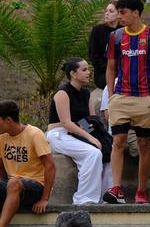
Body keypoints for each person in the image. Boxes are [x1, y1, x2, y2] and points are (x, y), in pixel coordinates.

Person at [103, 0, 150, 204]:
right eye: (118, 12)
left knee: (143, 145)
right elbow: (110, 68)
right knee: (118, 142)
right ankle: (116, 188)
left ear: (136, 12)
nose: (120, 16)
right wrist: (112, 96)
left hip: (144, 99)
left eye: (123, 12)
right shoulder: (116, 37)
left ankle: (141, 191)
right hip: (121, 97)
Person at [100, 84, 150, 204]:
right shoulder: (112, 85)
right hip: (126, 130)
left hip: (149, 126)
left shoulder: (148, 82)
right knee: (140, 149)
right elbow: (108, 114)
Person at [0, 101, 55, 226]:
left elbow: (50, 167)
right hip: (12, 187)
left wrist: (44, 199)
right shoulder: (1, 137)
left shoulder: (35, 134)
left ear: (9, 120)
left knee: (14, 182)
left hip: (35, 186)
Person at [45, 58, 105, 204]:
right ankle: (82, 200)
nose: (89, 73)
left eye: (88, 69)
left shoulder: (86, 94)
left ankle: (105, 196)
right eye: (84, 70)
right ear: (73, 73)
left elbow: (89, 120)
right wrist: (90, 139)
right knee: (92, 153)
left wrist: (96, 135)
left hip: (76, 134)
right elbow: (66, 122)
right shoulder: (62, 93)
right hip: (59, 134)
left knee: (106, 151)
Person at [88, 1, 120, 109]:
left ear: (118, 14)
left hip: (122, 71)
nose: (107, 13)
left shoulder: (123, 30)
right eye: (106, 11)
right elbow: (93, 56)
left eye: (111, 11)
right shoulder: (98, 30)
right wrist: (109, 69)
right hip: (103, 73)